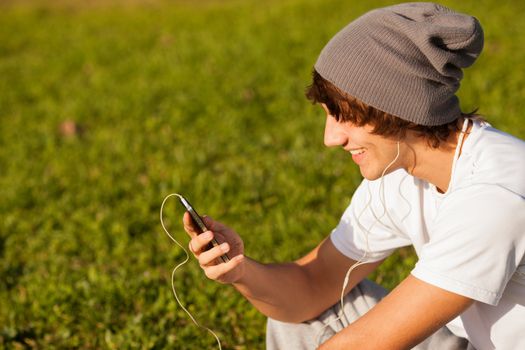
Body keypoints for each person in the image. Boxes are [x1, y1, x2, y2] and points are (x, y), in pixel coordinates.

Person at [183, 2, 525, 349]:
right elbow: (312, 285)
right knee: (309, 317)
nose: (330, 139)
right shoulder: (400, 174)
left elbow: (368, 344)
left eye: (344, 116)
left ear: (396, 105)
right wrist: (241, 272)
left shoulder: (496, 195)